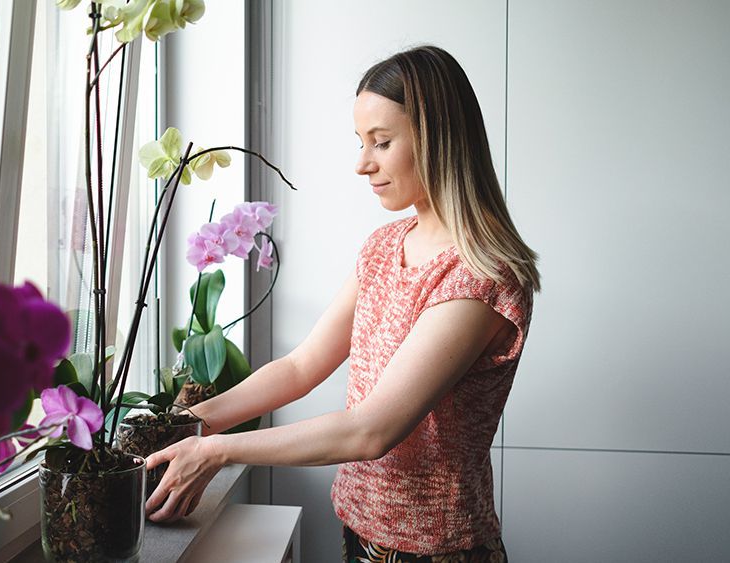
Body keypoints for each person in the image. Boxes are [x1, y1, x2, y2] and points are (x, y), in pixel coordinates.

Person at [144, 45, 539, 562]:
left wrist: (215, 450)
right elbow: (301, 365)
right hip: (359, 531)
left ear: (438, 138)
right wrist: (191, 421)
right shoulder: (382, 247)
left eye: (382, 142)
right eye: (361, 142)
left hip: (436, 551)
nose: (361, 164)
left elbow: (370, 430)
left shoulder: (482, 276)